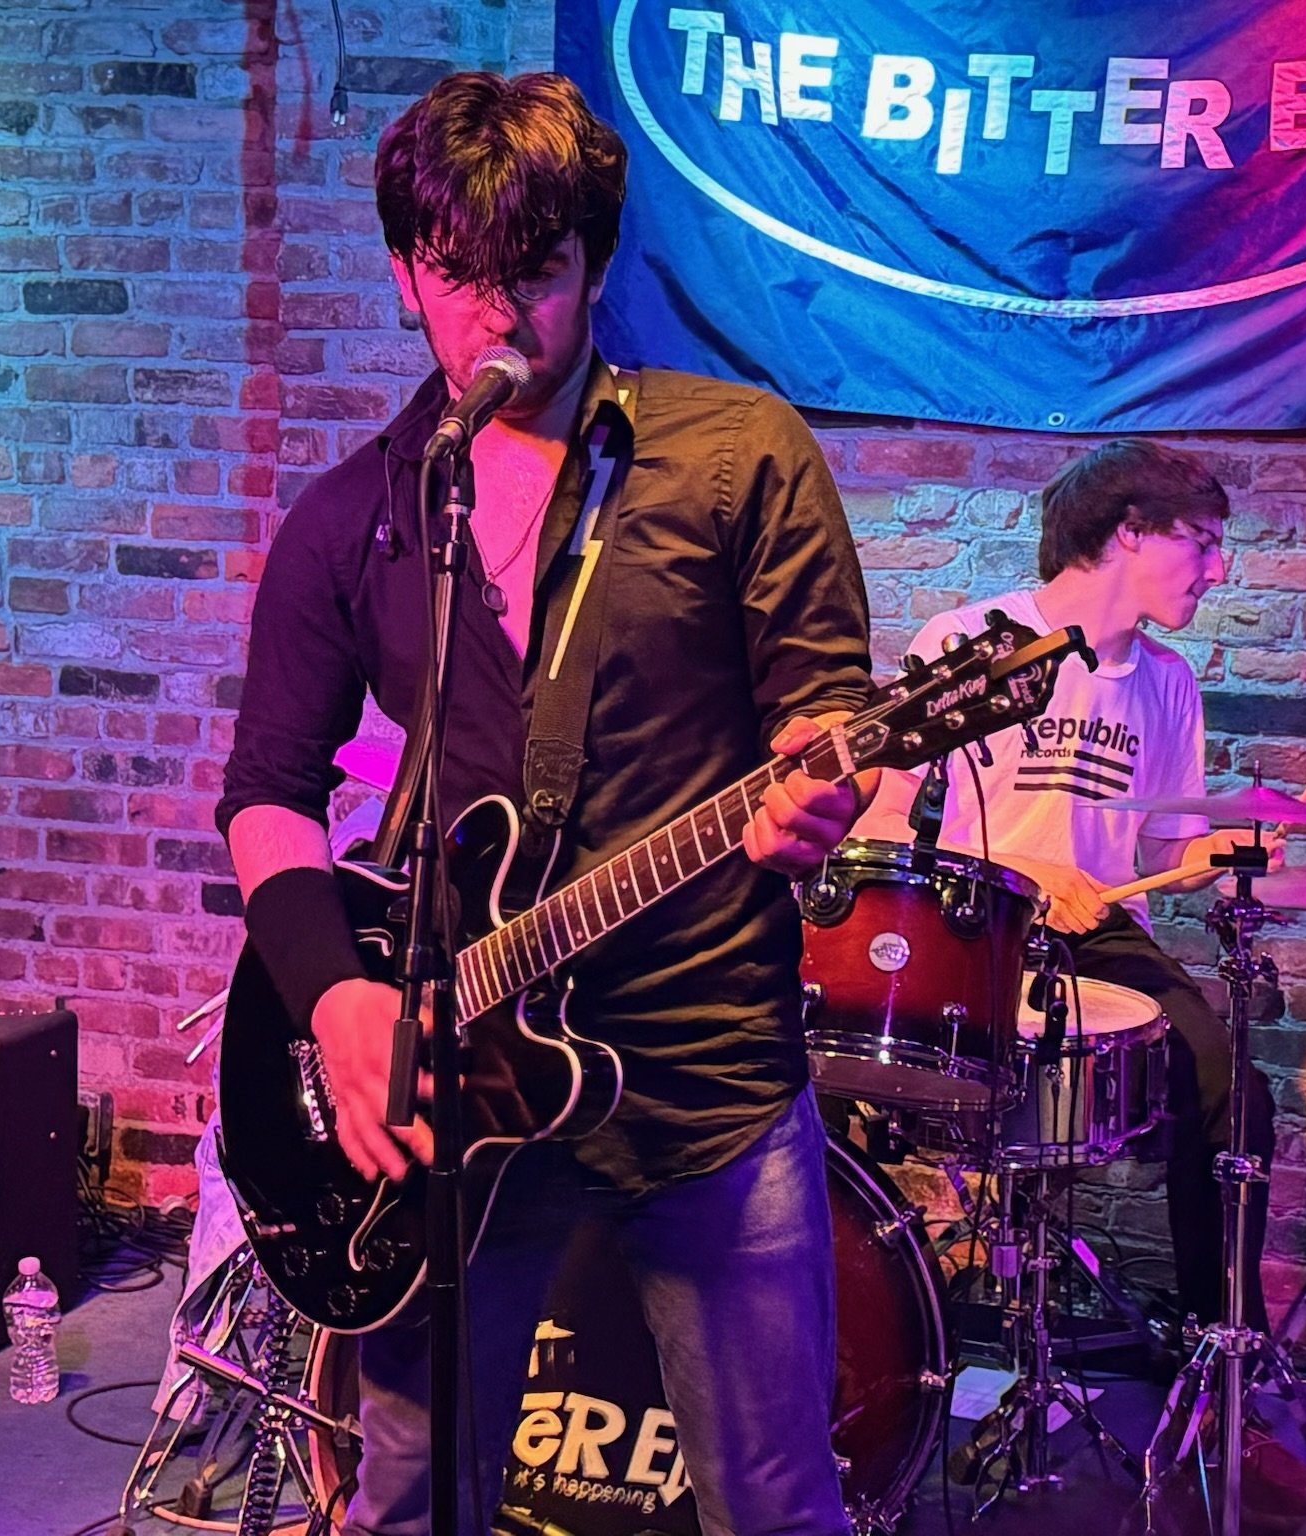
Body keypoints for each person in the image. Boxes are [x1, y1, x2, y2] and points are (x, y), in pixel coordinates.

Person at [215, 72, 874, 1536]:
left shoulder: (738, 456)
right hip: (455, 1092)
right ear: (405, 274)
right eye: (457, 277)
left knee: (773, 1505)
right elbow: (267, 794)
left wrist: (817, 787)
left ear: (595, 262)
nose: (498, 317)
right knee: (407, 1500)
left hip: (705, 1075)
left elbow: (826, 708)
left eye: (537, 273)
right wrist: (335, 998)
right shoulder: (354, 519)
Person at [855, 439, 1279, 1329]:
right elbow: (880, 820)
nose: (1218, 568)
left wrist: (1233, 852)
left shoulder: (1168, 681)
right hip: (972, 919)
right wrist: (1018, 872)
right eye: (1202, 540)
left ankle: (1221, 1345)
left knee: (1232, 1091)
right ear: (1131, 531)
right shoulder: (971, 643)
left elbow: (1170, 852)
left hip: (1099, 933)